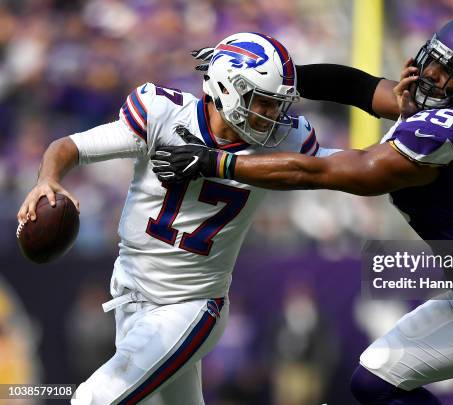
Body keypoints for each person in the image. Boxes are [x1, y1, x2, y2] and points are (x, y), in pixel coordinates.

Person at [153, 17, 453, 404]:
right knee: (376, 382)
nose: (430, 76)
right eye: (433, 61)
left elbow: (331, 173)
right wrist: (260, 75)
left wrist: (220, 162)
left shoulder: (451, 129)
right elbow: (359, 87)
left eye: (447, 74)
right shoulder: (447, 109)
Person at [16, 32, 398, 405]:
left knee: (94, 398)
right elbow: (69, 146)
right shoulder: (163, 114)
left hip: (191, 305)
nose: (271, 115)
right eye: (260, 101)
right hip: (129, 294)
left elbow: (353, 169)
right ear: (226, 87)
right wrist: (48, 179)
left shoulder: (286, 141)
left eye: (276, 104)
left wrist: (409, 136)